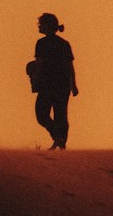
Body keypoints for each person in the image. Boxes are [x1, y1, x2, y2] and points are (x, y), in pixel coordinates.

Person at [30, 13, 78, 149]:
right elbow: (70, 67)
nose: (39, 26)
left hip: (47, 84)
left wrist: (35, 81)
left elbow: (39, 65)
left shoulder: (41, 44)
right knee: (61, 115)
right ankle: (61, 142)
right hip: (63, 85)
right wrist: (73, 84)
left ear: (47, 26)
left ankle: (58, 138)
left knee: (41, 114)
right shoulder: (64, 44)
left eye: (41, 24)